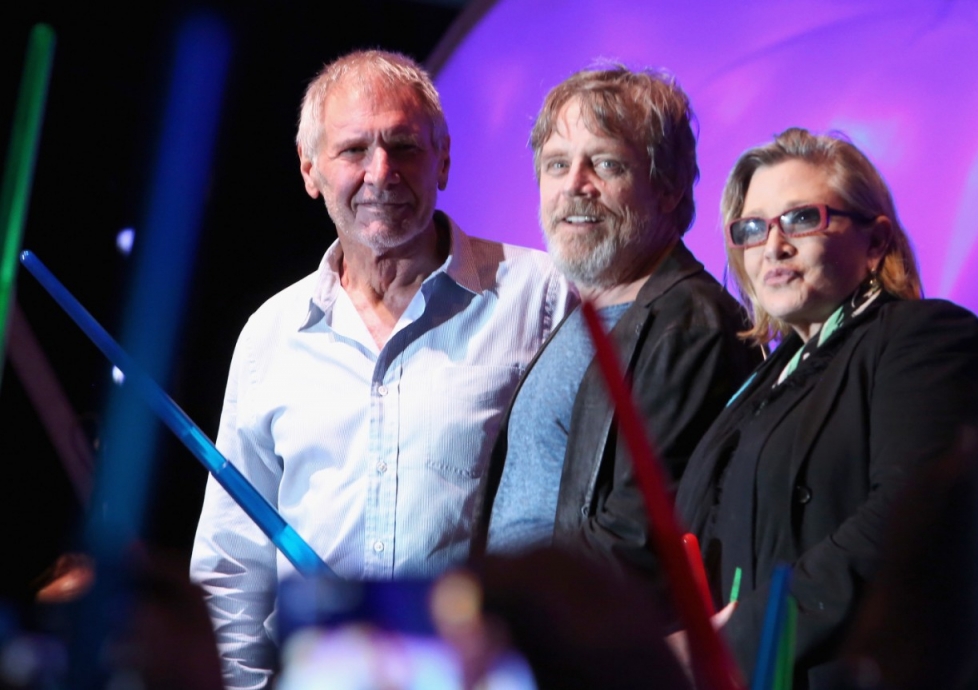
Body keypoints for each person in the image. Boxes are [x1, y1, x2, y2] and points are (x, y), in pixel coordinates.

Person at [190, 50, 575, 690]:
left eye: (404, 146)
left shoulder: (542, 299)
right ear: (309, 169)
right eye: (353, 150)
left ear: (445, 159)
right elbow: (233, 563)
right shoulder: (271, 334)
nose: (381, 172)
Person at [672, 127, 978, 687]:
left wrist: (745, 635)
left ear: (875, 242)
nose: (772, 246)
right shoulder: (765, 379)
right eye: (752, 229)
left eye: (801, 218)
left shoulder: (925, 339)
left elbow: (912, 524)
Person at [472, 66, 760, 598]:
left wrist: (514, 614)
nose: (574, 186)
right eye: (557, 165)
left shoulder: (690, 325)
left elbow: (637, 538)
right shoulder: (581, 315)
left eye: (605, 163)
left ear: (668, 187)